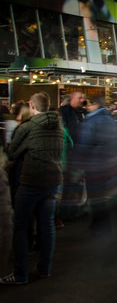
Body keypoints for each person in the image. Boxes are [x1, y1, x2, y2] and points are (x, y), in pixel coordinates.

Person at [1, 93, 64, 284]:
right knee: (47, 226)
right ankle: (44, 268)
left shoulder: (28, 127)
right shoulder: (58, 127)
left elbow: (13, 151)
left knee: (20, 226)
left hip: (31, 180)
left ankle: (20, 273)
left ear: (31, 105)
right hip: (53, 180)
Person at [76, 96, 116, 233]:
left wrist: (80, 161)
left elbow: (85, 143)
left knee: (95, 195)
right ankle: (102, 223)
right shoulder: (110, 119)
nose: (86, 106)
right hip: (106, 161)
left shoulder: (91, 121)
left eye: (88, 103)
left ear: (96, 104)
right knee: (101, 194)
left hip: (93, 163)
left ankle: (100, 224)